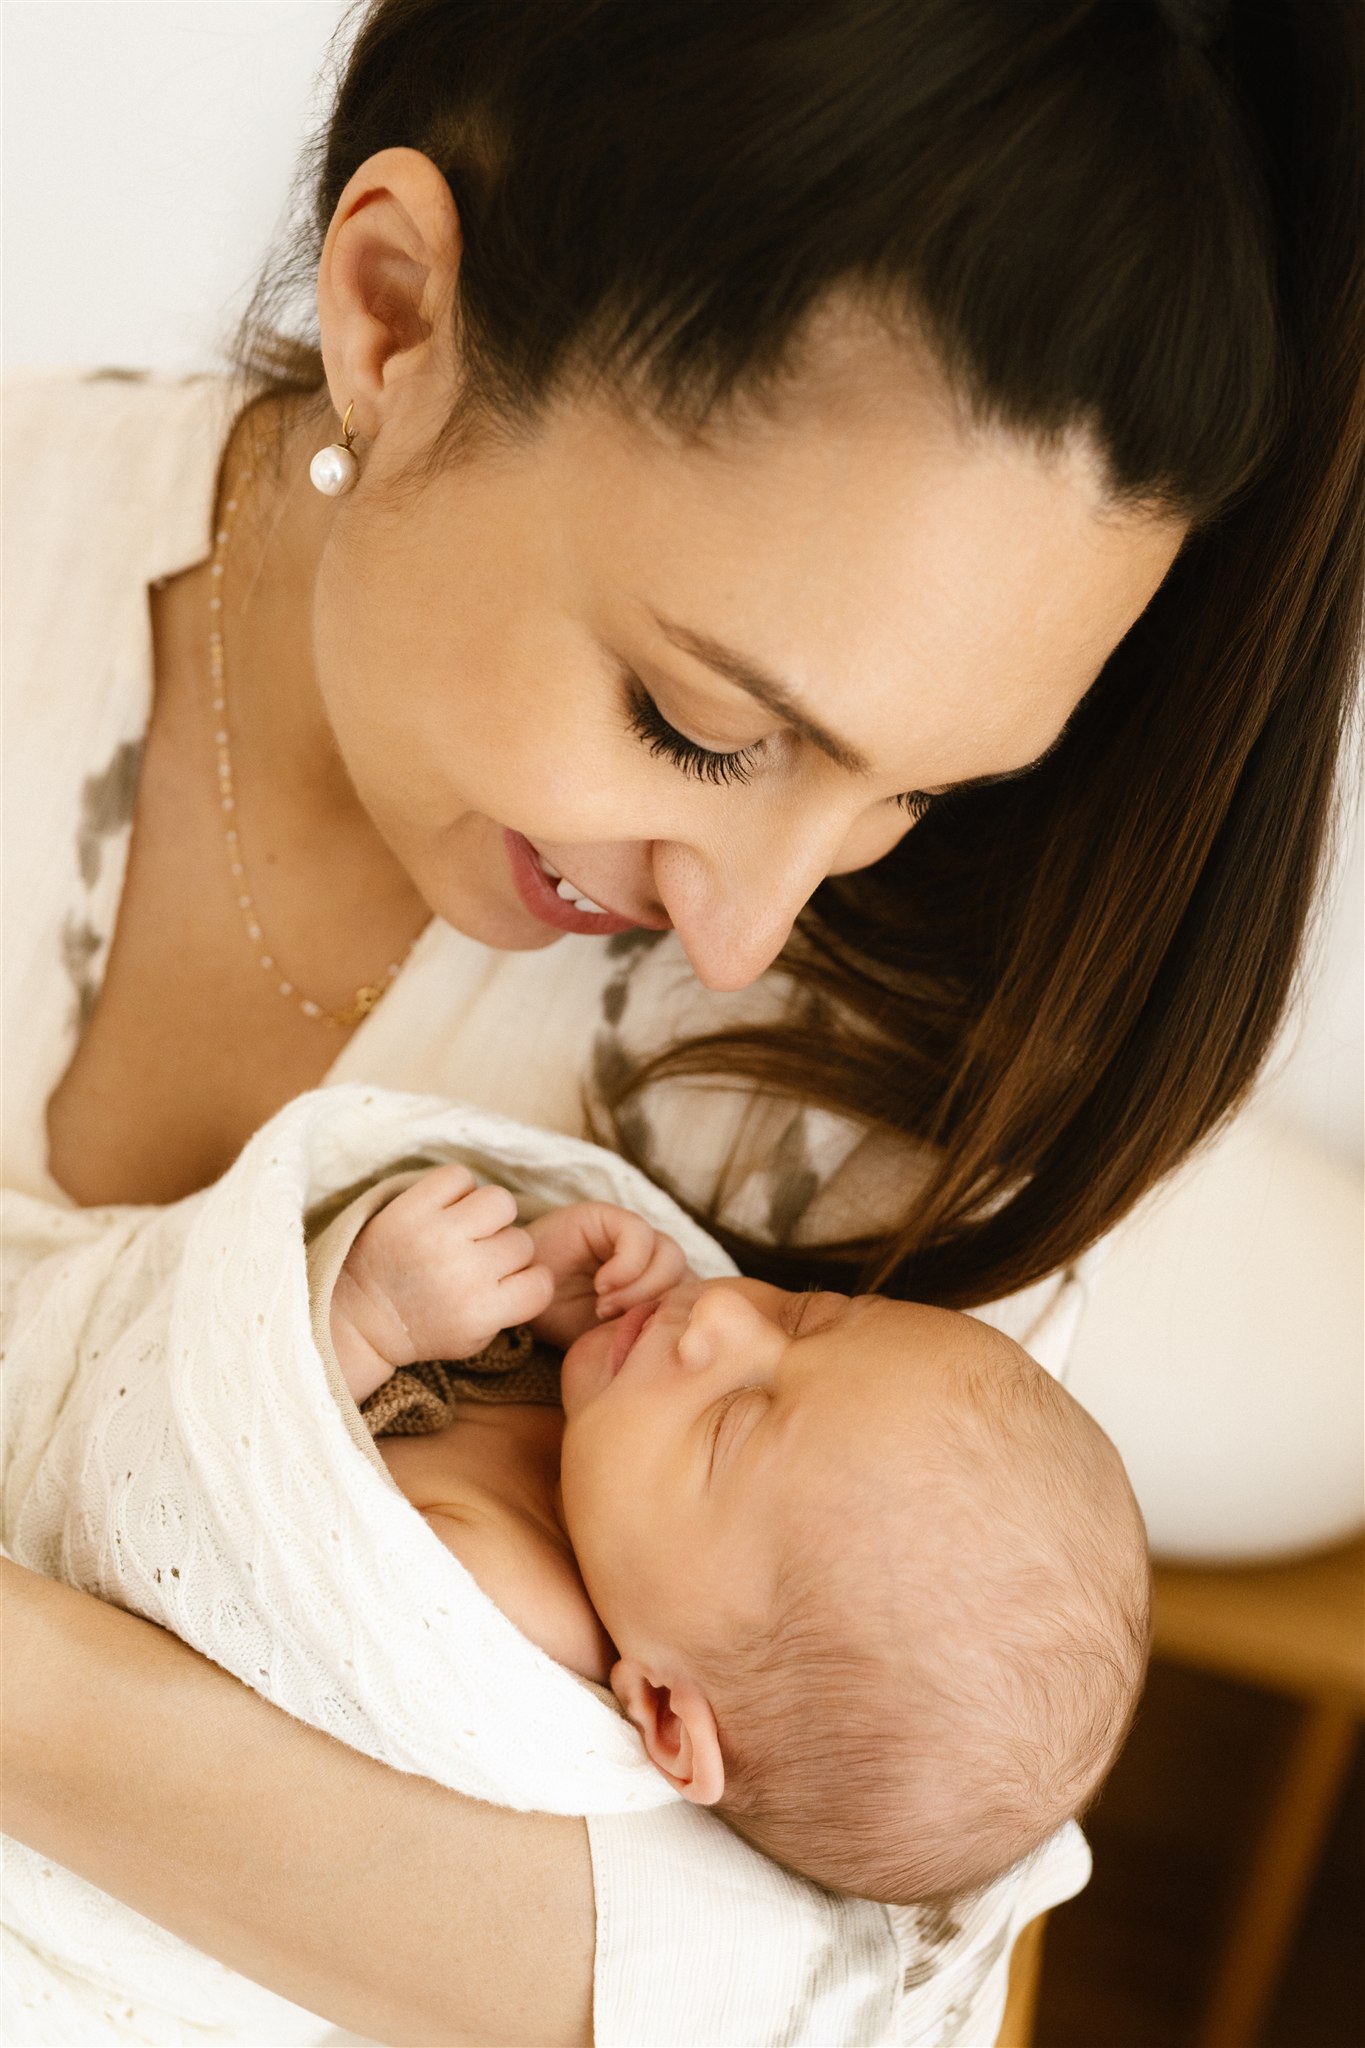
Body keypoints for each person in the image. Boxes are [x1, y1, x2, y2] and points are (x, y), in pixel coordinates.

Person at [3, 1, 1360, 2041]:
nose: (749, 936)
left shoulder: (883, 1083)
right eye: (703, 725)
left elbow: (824, 1994)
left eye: (914, 798)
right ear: (391, 314)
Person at [328, 1161, 1150, 1908]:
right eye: (808, 1315)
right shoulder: (637, 1507)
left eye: (727, 1423)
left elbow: (242, 1501)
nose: (721, 1310)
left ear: (662, 1711)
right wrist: (552, 1305)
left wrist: (365, 1323)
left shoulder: (496, 1596)